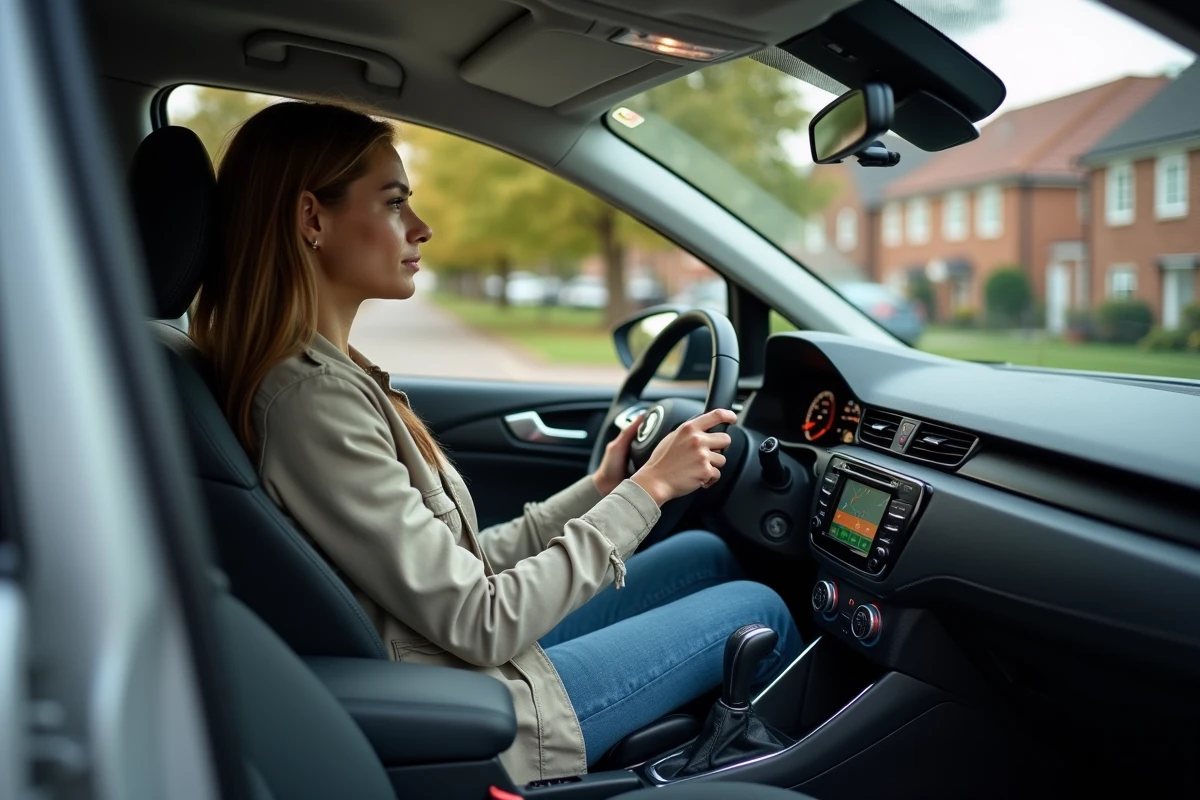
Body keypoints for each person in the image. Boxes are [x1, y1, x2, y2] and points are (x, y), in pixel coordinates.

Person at [191, 100, 802, 785]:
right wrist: (648, 489)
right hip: (486, 699)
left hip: (457, 655)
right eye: (394, 204)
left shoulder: (332, 373)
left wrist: (601, 490)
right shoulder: (311, 401)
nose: (422, 228)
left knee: (705, 554)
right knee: (762, 611)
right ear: (313, 219)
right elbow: (481, 620)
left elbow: (457, 566)